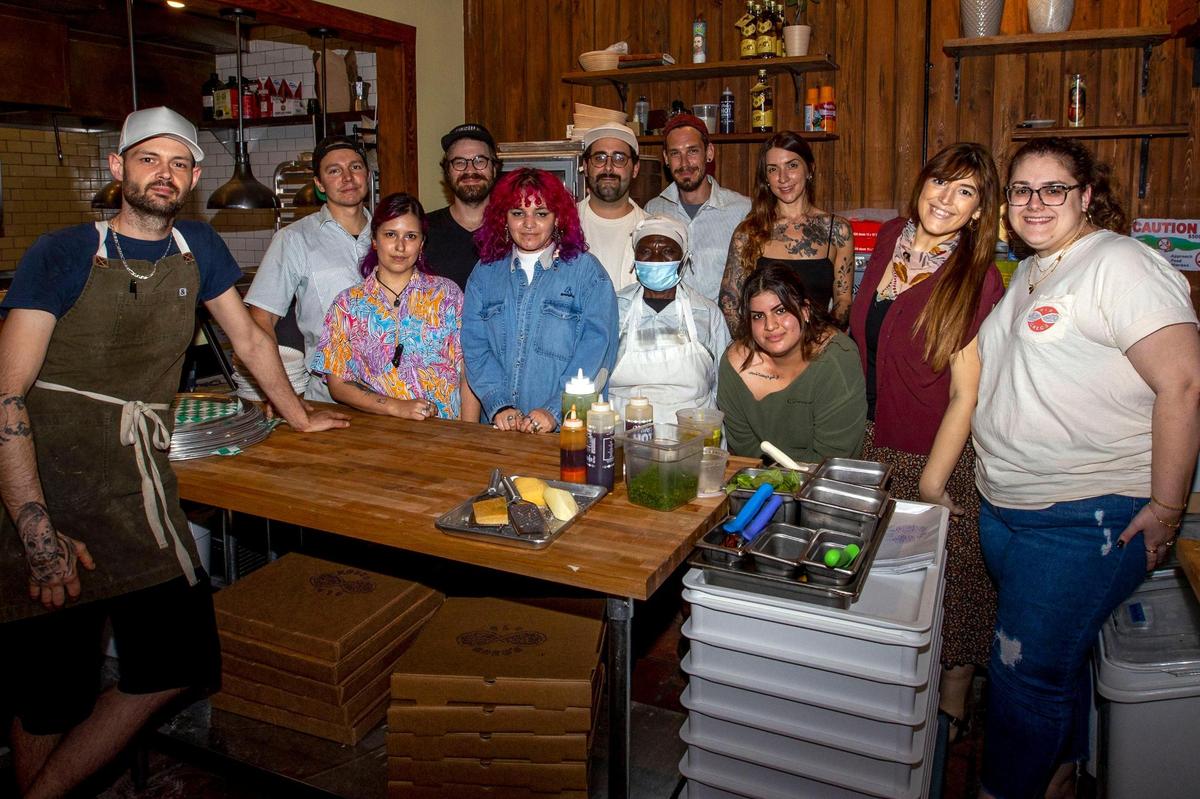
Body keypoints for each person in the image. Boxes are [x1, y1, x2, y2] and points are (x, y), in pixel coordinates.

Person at [0, 107, 348, 799]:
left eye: (180, 164)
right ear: (118, 167)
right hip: (48, 486)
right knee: (50, 690)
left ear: (192, 178)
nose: (166, 174)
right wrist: (36, 532)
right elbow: (6, 398)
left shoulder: (199, 246)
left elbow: (249, 342)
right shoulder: (63, 252)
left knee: (176, 660)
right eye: (150, 159)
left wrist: (300, 415)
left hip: (138, 488)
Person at [972, 137, 1200, 799]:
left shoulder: (1119, 263)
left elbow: (1183, 384)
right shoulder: (1039, 269)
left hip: (1082, 516)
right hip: (1013, 511)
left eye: (1053, 189)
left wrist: (1166, 506)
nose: (1034, 202)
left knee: (1021, 677)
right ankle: (1058, 779)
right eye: (1021, 189)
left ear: (1086, 196)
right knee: (1059, 667)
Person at [848, 142, 1004, 737]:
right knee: (885, 582)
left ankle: (954, 705)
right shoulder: (889, 239)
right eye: (941, 181)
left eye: (965, 191)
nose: (946, 198)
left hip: (933, 448)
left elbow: (966, 393)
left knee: (950, 583)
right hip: (869, 436)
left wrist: (934, 481)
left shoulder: (975, 277)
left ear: (978, 209)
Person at [462, 168, 618, 434]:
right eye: (518, 213)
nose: (529, 224)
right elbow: (475, 348)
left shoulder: (587, 274)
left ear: (558, 219)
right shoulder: (484, 273)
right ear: (503, 218)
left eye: (541, 213)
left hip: (567, 432)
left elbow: (598, 354)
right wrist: (499, 405)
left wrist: (556, 410)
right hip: (500, 429)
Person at [311, 193, 480, 422]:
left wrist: (468, 434)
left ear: (421, 244)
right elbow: (338, 384)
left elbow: (469, 370)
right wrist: (396, 407)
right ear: (374, 239)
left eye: (410, 236)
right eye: (390, 234)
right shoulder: (347, 305)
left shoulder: (447, 295)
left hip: (445, 434)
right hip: (378, 433)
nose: (400, 246)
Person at [245, 135, 373, 405]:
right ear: (319, 184)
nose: (348, 177)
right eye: (334, 170)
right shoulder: (294, 239)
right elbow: (261, 321)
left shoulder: (392, 234)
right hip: (327, 397)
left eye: (356, 167)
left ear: (368, 176)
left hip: (395, 392)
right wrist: (280, 394)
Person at [717, 262, 865, 464]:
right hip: (759, 485)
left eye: (780, 311)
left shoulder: (838, 358)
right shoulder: (734, 365)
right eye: (759, 316)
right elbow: (744, 448)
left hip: (825, 486)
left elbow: (832, 456)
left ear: (805, 311)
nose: (770, 325)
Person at [720, 131, 854, 331]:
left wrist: (823, 343)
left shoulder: (837, 231)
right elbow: (728, 302)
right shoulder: (748, 232)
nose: (783, 178)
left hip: (818, 350)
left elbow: (843, 301)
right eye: (773, 169)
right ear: (766, 177)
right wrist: (752, 346)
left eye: (792, 165)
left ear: (810, 169)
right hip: (765, 351)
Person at [609, 216, 730, 423]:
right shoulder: (614, 308)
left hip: (692, 433)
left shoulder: (707, 313)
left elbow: (723, 387)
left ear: (684, 258)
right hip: (623, 433)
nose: (656, 260)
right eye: (646, 252)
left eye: (667, 252)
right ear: (635, 258)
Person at [645, 114, 750, 305]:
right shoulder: (653, 210)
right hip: (670, 329)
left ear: (709, 152)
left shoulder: (742, 211)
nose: (684, 163)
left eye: (692, 151)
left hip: (725, 332)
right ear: (666, 158)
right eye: (675, 153)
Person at [425, 123, 500, 291]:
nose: (470, 169)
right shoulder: (422, 231)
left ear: (494, 169)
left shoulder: (517, 230)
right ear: (447, 171)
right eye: (459, 162)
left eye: (480, 161)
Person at [576, 122, 646, 290]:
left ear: (635, 169)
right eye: (599, 158)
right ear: (585, 167)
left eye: (619, 158)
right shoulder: (560, 226)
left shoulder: (652, 231)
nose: (608, 167)